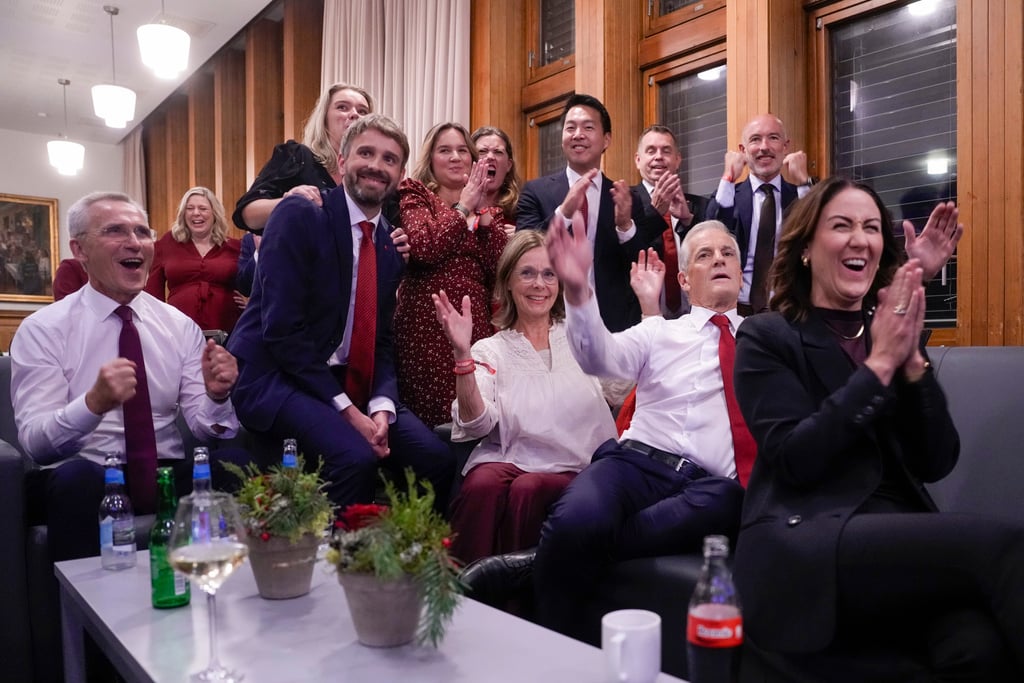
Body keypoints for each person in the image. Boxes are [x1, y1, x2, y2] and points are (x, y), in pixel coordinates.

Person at [732, 177, 1023, 680]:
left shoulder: (887, 328)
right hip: (806, 535)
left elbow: (936, 460)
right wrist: (880, 365)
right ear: (805, 250)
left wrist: (910, 363)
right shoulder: (767, 336)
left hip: (892, 537)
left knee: (978, 646)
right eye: (841, 225)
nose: (859, 238)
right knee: (1003, 544)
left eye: (870, 227)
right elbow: (796, 460)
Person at [503, 216, 751, 643]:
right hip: (634, 464)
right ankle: (547, 648)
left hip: (706, 487)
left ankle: (536, 560)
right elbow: (600, 359)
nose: (719, 261)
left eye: (728, 253)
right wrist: (579, 293)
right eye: (706, 255)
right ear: (685, 281)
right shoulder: (660, 332)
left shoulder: (765, 340)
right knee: (579, 518)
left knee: (731, 497)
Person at [226, 114, 454, 511]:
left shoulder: (387, 245)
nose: (376, 166)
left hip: (346, 382)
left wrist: (381, 408)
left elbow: (381, 341)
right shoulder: (300, 214)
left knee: (437, 460)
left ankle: (406, 560)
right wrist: (349, 412)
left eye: (389, 159)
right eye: (366, 153)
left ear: (401, 176)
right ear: (343, 160)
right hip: (276, 376)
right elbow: (281, 332)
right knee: (355, 458)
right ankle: (331, 564)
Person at [11, 191, 243, 562]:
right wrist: (91, 405)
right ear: (80, 249)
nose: (134, 242)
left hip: (163, 474)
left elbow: (207, 428)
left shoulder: (179, 326)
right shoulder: (44, 329)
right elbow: (36, 444)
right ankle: (85, 618)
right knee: (78, 482)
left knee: (236, 465)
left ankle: (226, 600)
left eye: (141, 231)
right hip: (87, 474)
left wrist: (217, 397)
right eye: (114, 231)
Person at [433, 230, 616, 564]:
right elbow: (476, 423)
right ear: (508, 283)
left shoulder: (580, 338)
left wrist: (649, 312)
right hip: (513, 459)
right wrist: (462, 354)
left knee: (526, 490)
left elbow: (621, 385)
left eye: (549, 274)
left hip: (579, 466)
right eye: (527, 273)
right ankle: (459, 591)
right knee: (480, 484)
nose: (539, 284)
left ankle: (515, 602)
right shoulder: (490, 349)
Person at [394, 123, 509, 428]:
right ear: (430, 159)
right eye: (445, 150)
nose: (456, 157)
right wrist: (462, 207)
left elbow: (501, 269)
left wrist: (481, 212)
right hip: (425, 326)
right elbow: (423, 247)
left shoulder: (490, 211)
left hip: (475, 327)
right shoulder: (415, 194)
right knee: (433, 425)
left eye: (462, 150)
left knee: (473, 417)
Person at [516, 94, 661, 333]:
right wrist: (564, 213)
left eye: (588, 127)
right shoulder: (536, 191)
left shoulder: (627, 197)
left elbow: (641, 265)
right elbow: (522, 254)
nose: (578, 134)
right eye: (570, 127)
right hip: (552, 321)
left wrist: (625, 226)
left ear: (606, 140)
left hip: (612, 324)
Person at [704, 114, 813, 315]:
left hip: (789, 309)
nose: (764, 147)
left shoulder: (802, 194)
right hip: (736, 310)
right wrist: (728, 178)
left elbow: (819, 234)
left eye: (773, 138)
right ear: (742, 151)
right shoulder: (729, 195)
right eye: (755, 139)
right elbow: (710, 232)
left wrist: (805, 183)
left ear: (785, 146)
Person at [232, 83, 374, 233]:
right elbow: (248, 215)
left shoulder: (375, 173)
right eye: (342, 107)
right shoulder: (297, 156)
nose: (354, 114)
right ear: (324, 119)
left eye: (362, 111)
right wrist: (289, 203)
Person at [631, 124, 708, 319]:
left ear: (677, 159)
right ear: (638, 160)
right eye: (651, 151)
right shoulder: (624, 203)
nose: (658, 157)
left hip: (694, 318)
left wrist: (687, 220)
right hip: (640, 316)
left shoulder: (700, 206)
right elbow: (626, 251)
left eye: (666, 151)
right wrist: (655, 212)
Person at [145, 187, 242, 333]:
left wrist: (252, 302)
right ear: (183, 214)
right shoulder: (167, 243)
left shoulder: (235, 247)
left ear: (214, 214)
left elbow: (258, 281)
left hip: (228, 328)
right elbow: (152, 294)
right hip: (178, 329)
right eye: (190, 208)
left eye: (203, 208)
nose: (196, 213)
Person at [471, 125, 522, 236]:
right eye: (482, 151)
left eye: (498, 152)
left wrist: (521, 239)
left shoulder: (523, 210)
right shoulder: (457, 206)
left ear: (508, 165)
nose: (490, 156)